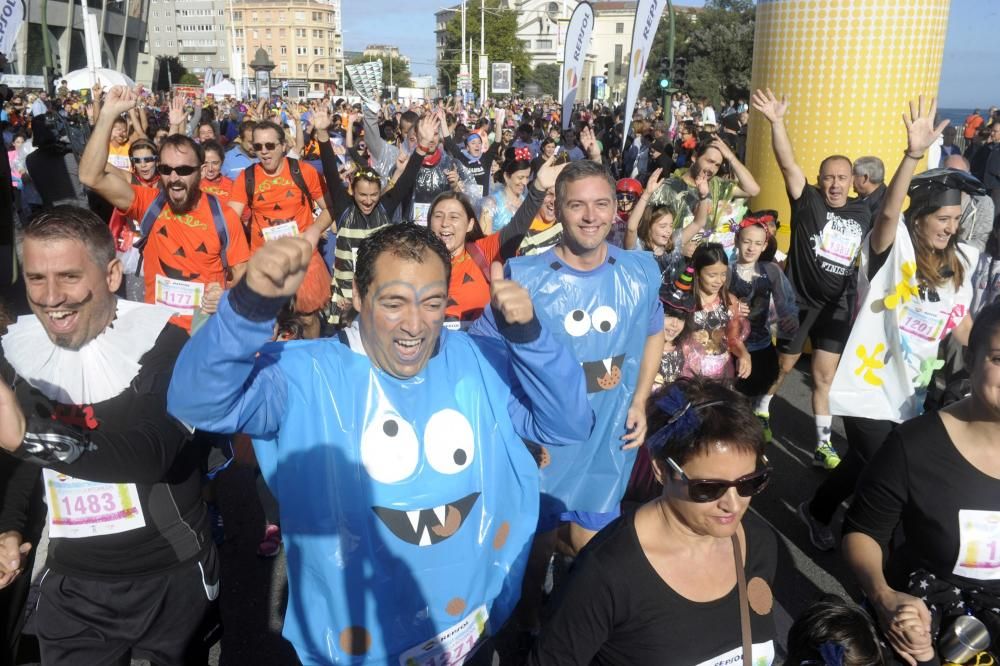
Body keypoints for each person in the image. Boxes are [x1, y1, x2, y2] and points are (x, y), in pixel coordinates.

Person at [167, 222, 591, 665]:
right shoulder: (301, 376)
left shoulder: (473, 357)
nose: (414, 325)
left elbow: (568, 423)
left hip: (468, 630)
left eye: (431, 303)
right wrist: (248, 308)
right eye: (394, 302)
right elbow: (198, 403)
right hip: (357, 644)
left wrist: (528, 336)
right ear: (357, 296)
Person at [0, 207, 218, 665]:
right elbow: (27, 466)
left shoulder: (165, 343)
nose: (51, 297)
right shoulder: (25, 349)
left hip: (167, 573)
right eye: (36, 279)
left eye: (69, 276)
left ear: (113, 274)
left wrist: (30, 438)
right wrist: (11, 525)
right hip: (74, 580)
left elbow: (152, 451)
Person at [806, 99, 980, 552]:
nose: (949, 229)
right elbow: (886, 214)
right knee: (884, 465)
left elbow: (960, 327)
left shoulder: (959, 264)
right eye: (942, 219)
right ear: (919, 219)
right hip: (868, 381)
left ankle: (820, 508)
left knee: (864, 464)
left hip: (910, 389)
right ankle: (866, 543)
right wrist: (911, 156)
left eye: (956, 221)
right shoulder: (894, 246)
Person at [471, 159, 664, 558]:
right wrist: (516, 429)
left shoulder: (640, 272)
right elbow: (483, 359)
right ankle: (528, 618)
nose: (591, 216)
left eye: (601, 204)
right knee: (532, 556)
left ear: (615, 208)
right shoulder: (522, 276)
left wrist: (641, 400)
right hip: (540, 444)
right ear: (557, 210)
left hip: (608, 440)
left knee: (590, 555)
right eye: (577, 205)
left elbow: (653, 331)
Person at [528, 378, 777, 666]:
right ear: (661, 470)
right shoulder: (608, 573)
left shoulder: (759, 543)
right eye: (708, 488)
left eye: (749, 483)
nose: (733, 504)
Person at [842, 302, 1000, 664]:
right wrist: (883, 596)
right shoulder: (914, 446)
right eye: (999, 359)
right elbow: (862, 532)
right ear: (971, 357)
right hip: (926, 622)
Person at [751, 88, 873, 470]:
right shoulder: (808, 202)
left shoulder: (863, 211)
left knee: (824, 377)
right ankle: (763, 406)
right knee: (785, 367)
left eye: (842, 177)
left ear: (853, 180)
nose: (835, 184)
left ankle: (823, 445)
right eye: (828, 178)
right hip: (799, 302)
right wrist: (776, 122)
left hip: (837, 306)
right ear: (819, 180)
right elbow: (788, 165)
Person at [79, 86, 250, 332]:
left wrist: (225, 294)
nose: (174, 177)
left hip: (204, 331)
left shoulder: (224, 216)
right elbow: (89, 175)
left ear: (200, 172)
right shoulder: (149, 204)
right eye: (166, 170)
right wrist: (106, 116)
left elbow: (243, 273)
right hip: (156, 329)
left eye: (183, 170)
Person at [317, 107, 431, 324]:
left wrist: (422, 145)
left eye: (373, 195)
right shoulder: (344, 208)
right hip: (344, 301)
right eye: (362, 195)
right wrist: (322, 134)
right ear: (352, 191)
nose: (368, 201)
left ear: (380, 193)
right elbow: (331, 171)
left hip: (380, 297)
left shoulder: (384, 208)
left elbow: (407, 178)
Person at [428, 157, 558, 329]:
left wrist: (538, 189)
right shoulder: (415, 262)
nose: (445, 223)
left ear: (470, 225)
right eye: (438, 216)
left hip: (478, 350)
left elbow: (515, 229)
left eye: (454, 217)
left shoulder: (482, 251)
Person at [729, 216, 799, 431]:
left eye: (758, 243)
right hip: (732, 347)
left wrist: (789, 318)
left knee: (749, 401)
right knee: (731, 400)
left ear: (765, 245)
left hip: (760, 344)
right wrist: (730, 309)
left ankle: (747, 440)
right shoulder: (727, 271)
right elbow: (710, 303)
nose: (751, 248)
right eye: (747, 241)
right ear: (737, 240)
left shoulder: (770, 270)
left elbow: (785, 301)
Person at [624, 167, 711, 284]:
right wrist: (647, 194)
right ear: (649, 226)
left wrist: (703, 197)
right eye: (662, 226)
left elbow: (699, 222)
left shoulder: (672, 243)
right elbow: (631, 228)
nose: (668, 231)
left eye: (670, 226)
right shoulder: (638, 247)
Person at [680, 243, 752, 382]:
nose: (719, 281)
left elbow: (733, 339)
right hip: (687, 375)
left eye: (723, 274)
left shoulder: (729, 302)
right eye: (712, 275)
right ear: (697, 272)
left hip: (721, 374)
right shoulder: (683, 301)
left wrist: (744, 354)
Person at [480, 148, 531, 235]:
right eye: (520, 178)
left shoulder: (526, 203)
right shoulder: (491, 204)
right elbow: (483, 242)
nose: (525, 182)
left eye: (527, 177)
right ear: (507, 176)